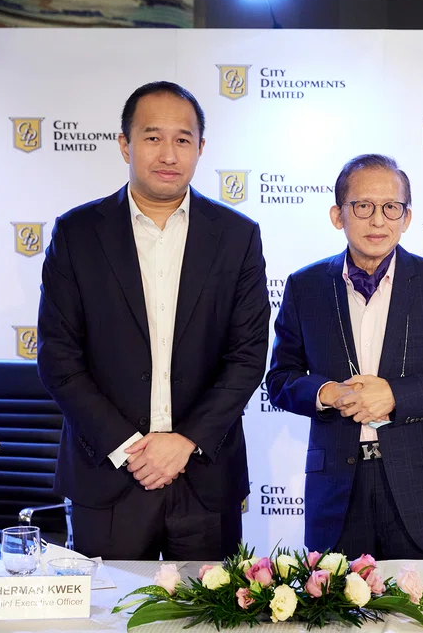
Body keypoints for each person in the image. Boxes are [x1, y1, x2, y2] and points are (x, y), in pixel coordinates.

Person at [36, 81, 270, 561]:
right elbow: (59, 358)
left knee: (210, 619)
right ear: (125, 144)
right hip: (110, 475)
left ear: (201, 148)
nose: (168, 153)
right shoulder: (77, 234)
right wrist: (130, 447)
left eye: (183, 139)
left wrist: (185, 441)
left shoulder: (237, 236)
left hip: (205, 475)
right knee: (110, 616)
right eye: (152, 137)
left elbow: (246, 356)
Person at [266, 154, 423, 560]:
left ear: (406, 218)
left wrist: (395, 396)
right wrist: (327, 392)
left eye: (391, 208)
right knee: (337, 620)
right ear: (338, 215)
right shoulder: (305, 286)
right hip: (336, 492)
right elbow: (280, 380)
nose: (378, 220)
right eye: (363, 206)